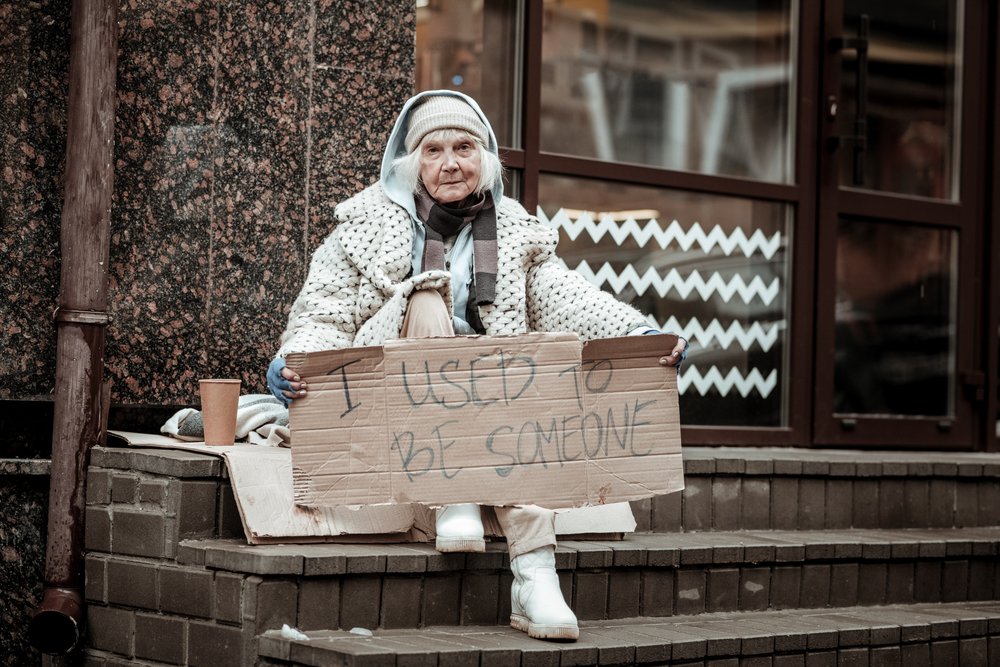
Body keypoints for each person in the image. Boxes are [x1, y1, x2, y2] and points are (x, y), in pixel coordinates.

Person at [267, 90, 687, 641]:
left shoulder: (514, 230)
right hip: (396, 396)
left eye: (463, 147)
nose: (449, 163)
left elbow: (568, 298)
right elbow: (325, 311)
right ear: (411, 160)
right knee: (424, 297)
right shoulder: (363, 225)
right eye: (433, 148)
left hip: (492, 399)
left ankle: (535, 576)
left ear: (484, 156)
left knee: (525, 380)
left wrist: (639, 334)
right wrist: (298, 361)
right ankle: (454, 493)